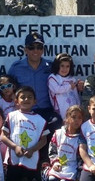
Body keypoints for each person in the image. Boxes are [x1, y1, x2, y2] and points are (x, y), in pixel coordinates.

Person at [8, 32, 62, 161]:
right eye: (31, 47)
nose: (35, 50)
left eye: (39, 47)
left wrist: (77, 84)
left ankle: (49, 160)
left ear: (43, 49)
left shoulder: (50, 66)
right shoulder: (16, 67)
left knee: (56, 124)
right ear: (26, 49)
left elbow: (63, 79)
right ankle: (31, 160)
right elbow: (5, 84)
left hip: (46, 109)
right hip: (26, 110)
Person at [0, 86, 48, 181]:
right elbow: (3, 136)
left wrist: (32, 150)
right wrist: (15, 147)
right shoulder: (11, 116)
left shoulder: (40, 120)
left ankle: (44, 172)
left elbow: (44, 140)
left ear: (35, 101)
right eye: (23, 97)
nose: (26, 99)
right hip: (14, 159)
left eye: (30, 97)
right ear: (16, 101)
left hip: (32, 157)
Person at [45, 105, 84, 181]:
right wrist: (55, 162)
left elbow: (81, 157)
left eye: (79, 118)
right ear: (67, 118)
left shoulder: (81, 137)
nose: (77, 120)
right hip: (59, 164)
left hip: (72, 166)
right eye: (74, 117)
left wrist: (79, 170)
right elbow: (52, 150)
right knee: (52, 180)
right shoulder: (58, 133)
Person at [48, 53, 81, 121]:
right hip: (60, 110)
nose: (64, 69)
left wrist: (78, 105)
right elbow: (57, 89)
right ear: (57, 66)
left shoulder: (72, 79)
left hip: (72, 108)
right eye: (62, 66)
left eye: (67, 66)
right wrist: (69, 86)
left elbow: (75, 94)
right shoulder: (53, 78)